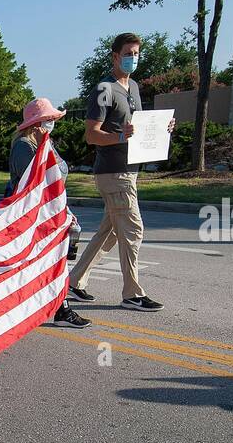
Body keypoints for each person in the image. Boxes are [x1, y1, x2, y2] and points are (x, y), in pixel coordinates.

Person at [69, 32, 173, 312]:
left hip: (130, 171)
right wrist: (119, 138)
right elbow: (92, 135)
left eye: (137, 53)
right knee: (133, 230)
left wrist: (161, 129)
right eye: (128, 53)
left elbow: (136, 129)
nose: (133, 58)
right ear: (115, 56)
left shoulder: (134, 88)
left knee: (111, 232)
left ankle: (74, 282)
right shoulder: (104, 89)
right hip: (114, 173)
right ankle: (132, 294)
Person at [5, 98, 91, 330]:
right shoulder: (25, 146)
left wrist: (65, 210)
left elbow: (55, 180)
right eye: (49, 119)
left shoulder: (44, 142)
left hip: (49, 213)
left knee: (51, 261)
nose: (53, 122)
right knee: (47, 262)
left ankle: (56, 307)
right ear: (36, 123)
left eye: (53, 119)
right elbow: (35, 185)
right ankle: (59, 309)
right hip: (34, 217)